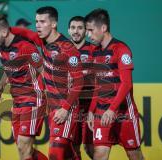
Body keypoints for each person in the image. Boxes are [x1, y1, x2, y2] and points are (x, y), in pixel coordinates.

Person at [10, 6, 84, 160]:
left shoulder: (68, 49)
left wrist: (65, 108)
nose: (38, 25)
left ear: (53, 24)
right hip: (51, 107)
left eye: (42, 21)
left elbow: (79, 82)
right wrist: (4, 29)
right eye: (36, 21)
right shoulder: (42, 41)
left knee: (55, 154)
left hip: (67, 108)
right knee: (67, 154)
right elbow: (25, 33)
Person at [0, 14, 47, 160]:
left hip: (33, 100)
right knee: (22, 149)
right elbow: (8, 67)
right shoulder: (2, 48)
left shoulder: (26, 47)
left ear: (4, 32)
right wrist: (0, 85)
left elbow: (44, 72)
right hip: (17, 101)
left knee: (24, 147)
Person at [85, 9, 145, 160]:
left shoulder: (121, 49)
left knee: (134, 155)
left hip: (124, 113)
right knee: (99, 154)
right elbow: (98, 85)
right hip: (101, 113)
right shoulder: (95, 52)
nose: (88, 35)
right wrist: (92, 110)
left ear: (103, 28)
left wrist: (112, 109)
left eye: (91, 30)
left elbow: (127, 84)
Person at [68, 16, 94, 159]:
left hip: (90, 106)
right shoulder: (62, 50)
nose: (76, 31)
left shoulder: (93, 50)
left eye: (79, 28)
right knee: (73, 148)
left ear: (85, 31)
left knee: (91, 149)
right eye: (73, 28)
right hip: (71, 107)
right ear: (68, 30)